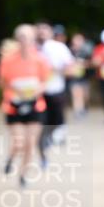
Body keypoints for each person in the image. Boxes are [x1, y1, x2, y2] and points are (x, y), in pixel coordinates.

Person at [0, 24, 51, 187]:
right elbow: (1, 82)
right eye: (21, 38)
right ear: (17, 40)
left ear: (33, 40)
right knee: (19, 142)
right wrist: (16, 88)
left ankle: (23, 175)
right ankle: (11, 158)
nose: (25, 42)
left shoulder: (40, 60)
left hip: (35, 105)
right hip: (14, 105)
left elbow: (45, 81)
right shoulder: (8, 60)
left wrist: (35, 90)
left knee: (30, 143)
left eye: (28, 38)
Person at [36, 22, 74, 163]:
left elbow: (70, 68)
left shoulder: (59, 48)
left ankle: (54, 135)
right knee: (40, 119)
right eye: (39, 30)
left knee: (56, 118)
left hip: (55, 89)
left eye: (44, 30)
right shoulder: (31, 48)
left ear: (51, 33)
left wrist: (54, 70)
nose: (41, 33)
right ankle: (43, 143)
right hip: (35, 92)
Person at [67, 32, 93, 118]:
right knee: (76, 93)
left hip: (84, 77)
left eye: (79, 40)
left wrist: (83, 64)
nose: (77, 41)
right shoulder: (69, 51)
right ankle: (78, 111)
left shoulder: (86, 51)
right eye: (75, 39)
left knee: (85, 95)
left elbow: (92, 63)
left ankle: (85, 108)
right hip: (74, 77)